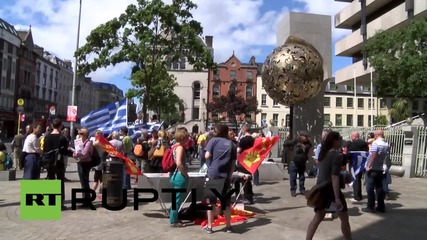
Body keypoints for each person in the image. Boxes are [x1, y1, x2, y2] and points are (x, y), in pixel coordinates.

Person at [306, 131, 352, 240]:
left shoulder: (324, 154)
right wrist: (337, 198)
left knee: (318, 218)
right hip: (330, 190)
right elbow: (334, 177)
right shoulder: (337, 156)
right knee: (344, 218)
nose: (341, 141)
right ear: (335, 141)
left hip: (321, 188)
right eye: (340, 139)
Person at [203, 124, 237, 234]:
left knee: (211, 202)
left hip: (213, 174)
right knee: (226, 202)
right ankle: (228, 226)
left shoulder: (213, 141)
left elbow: (207, 156)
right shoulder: (232, 145)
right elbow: (233, 164)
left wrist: (211, 162)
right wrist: (230, 175)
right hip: (226, 176)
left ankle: (210, 226)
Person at [43, 118, 68, 210]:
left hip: (49, 162)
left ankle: (51, 202)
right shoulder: (63, 138)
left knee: (51, 180)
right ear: (61, 126)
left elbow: (45, 150)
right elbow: (65, 152)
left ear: (52, 126)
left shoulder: (47, 137)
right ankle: (60, 203)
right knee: (60, 181)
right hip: (59, 162)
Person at [363, 130, 389, 213]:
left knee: (370, 188)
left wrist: (368, 166)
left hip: (372, 169)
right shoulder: (386, 144)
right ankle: (381, 207)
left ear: (377, 135)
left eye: (375, 135)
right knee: (379, 188)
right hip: (380, 168)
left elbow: (374, 155)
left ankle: (370, 207)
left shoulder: (376, 143)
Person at [168, 129, 189, 227]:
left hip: (174, 175)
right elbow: (179, 163)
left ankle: (174, 217)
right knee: (177, 199)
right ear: (183, 138)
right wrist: (185, 174)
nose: (188, 139)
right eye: (187, 137)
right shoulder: (180, 148)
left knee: (176, 198)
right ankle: (174, 221)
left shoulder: (174, 146)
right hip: (179, 176)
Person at [71, 128, 93, 208]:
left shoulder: (88, 143)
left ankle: (86, 200)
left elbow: (84, 154)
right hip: (80, 162)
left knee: (85, 182)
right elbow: (76, 152)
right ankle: (86, 199)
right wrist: (74, 154)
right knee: (83, 182)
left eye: (80, 133)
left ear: (84, 135)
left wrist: (76, 155)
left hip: (85, 163)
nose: (79, 135)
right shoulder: (79, 142)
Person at [286, 132, 312, 197]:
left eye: (306, 137)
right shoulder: (296, 141)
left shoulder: (307, 143)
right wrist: (297, 145)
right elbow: (287, 143)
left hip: (302, 162)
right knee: (293, 177)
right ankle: (293, 190)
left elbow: (308, 147)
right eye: (304, 137)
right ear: (301, 137)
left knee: (302, 177)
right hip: (294, 162)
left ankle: (302, 189)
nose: (305, 138)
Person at [346, 132, 369, 203]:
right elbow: (367, 152)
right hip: (362, 164)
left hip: (354, 164)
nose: (351, 138)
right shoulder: (364, 143)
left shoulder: (352, 144)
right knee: (358, 179)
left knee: (355, 179)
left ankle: (356, 197)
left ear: (354, 137)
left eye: (351, 136)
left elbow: (349, 154)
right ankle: (359, 195)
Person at [235, 124, 255, 204]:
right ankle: (250, 196)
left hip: (243, 160)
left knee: (244, 178)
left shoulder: (243, 140)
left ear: (244, 130)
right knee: (248, 178)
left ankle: (247, 197)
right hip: (250, 159)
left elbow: (239, 150)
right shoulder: (253, 139)